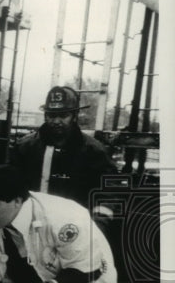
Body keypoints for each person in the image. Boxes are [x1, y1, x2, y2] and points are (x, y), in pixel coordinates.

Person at [10, 85, 117, 226]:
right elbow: (10, 186)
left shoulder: (95, 152)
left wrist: (98, 224)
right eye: (52, 115)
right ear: (45, 115)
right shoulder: (25, 148)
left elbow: (109, 192)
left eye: (63, 115)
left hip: (76, 228)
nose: (56, 121)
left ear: (74, 116)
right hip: (32, 225)